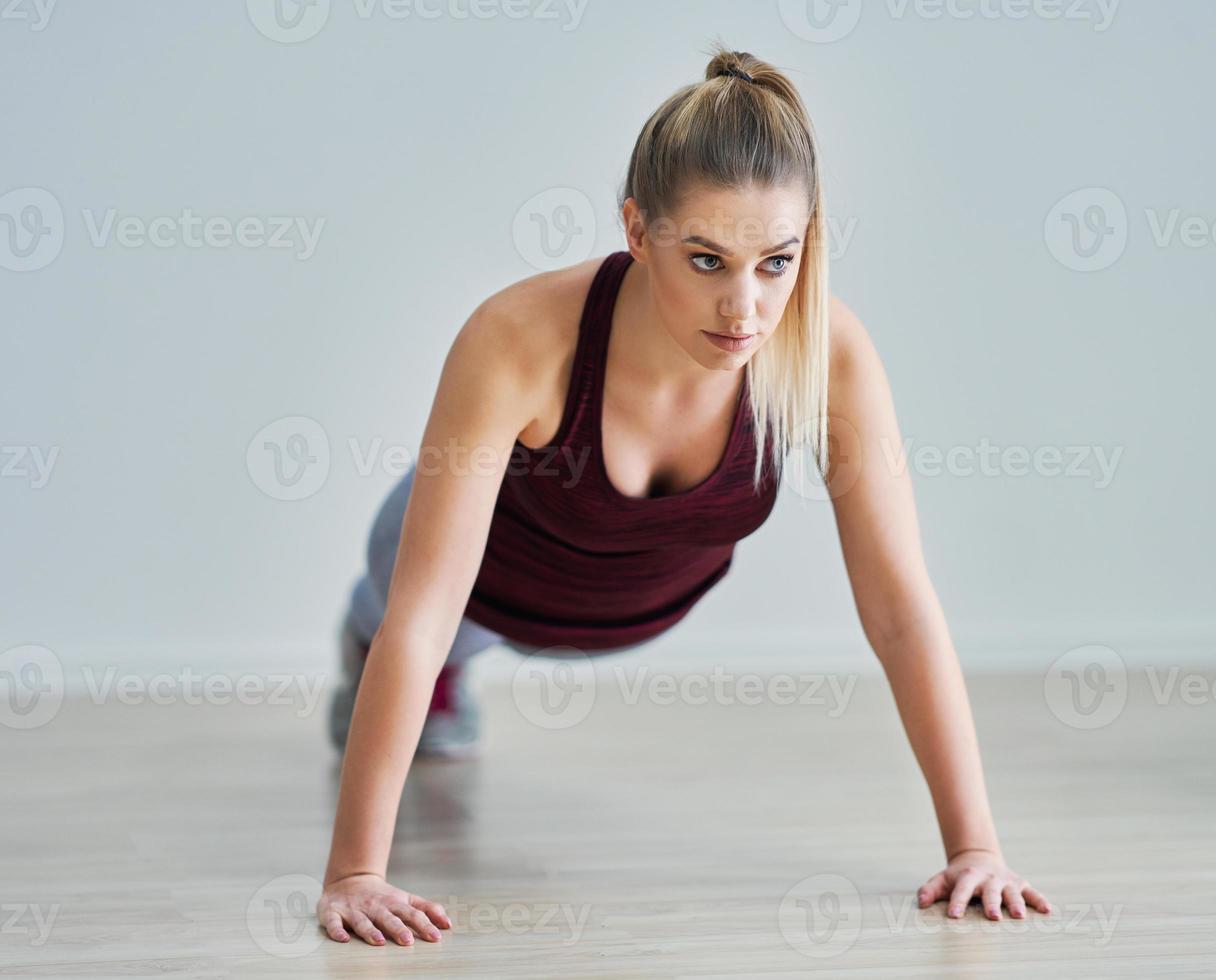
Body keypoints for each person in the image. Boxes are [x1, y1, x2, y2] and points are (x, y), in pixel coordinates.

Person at [317, 42, 1054, 949]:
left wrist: (976, 846)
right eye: (706, 260)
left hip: (636, 604)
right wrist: (355, 872)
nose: (744, 308)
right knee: (414, 623)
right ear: (637, 229)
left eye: (775, 262)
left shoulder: (829, 352)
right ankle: (375, 655)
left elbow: (900, 608)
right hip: (478, 592)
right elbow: (423, 613)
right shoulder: (515, 337)